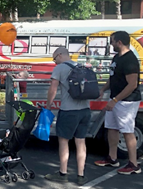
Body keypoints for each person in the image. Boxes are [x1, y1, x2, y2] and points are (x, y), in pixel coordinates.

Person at [94, 31, 142, 175]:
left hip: (127, 101)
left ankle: (133, 164)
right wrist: (103, 89)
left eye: (112, 41)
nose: (111, 44)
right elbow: (113, 77)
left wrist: (115, 100)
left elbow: (132, 84)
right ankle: (112, 158)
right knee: (111, 127)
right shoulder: (117, 58)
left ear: (119, 42)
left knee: (127, 131)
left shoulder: (130, 60)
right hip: (115, 98)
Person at [44, 47, 92, 185]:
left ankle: (63, 173)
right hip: (85, 110)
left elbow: (53, 89)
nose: (55, 62)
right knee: (81, 142)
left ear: (59, 55)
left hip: (68, 111)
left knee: (64, 141)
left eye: (54, 59)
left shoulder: (59, 69)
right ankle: (81, 175)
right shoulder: (81, 66)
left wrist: (48, 105)